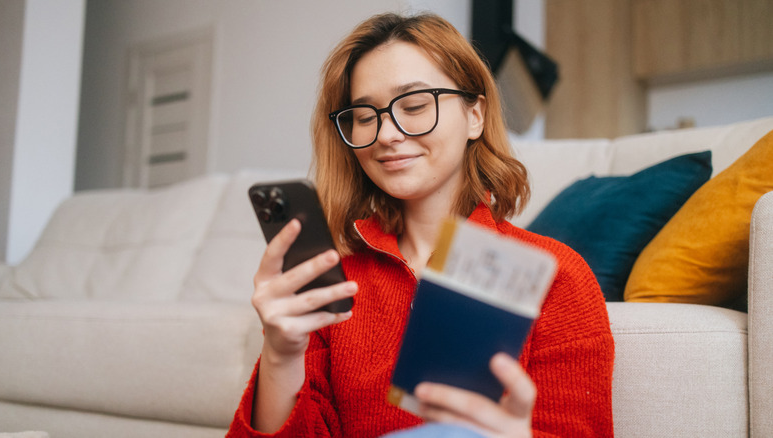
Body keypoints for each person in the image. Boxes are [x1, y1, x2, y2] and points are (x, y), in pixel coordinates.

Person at [227, 12, 614, 438]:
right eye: (364, 115)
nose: (386, 133)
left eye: (413, 106)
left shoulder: (559, 276)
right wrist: (281, 354)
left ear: (475, 115)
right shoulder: (334, 283)